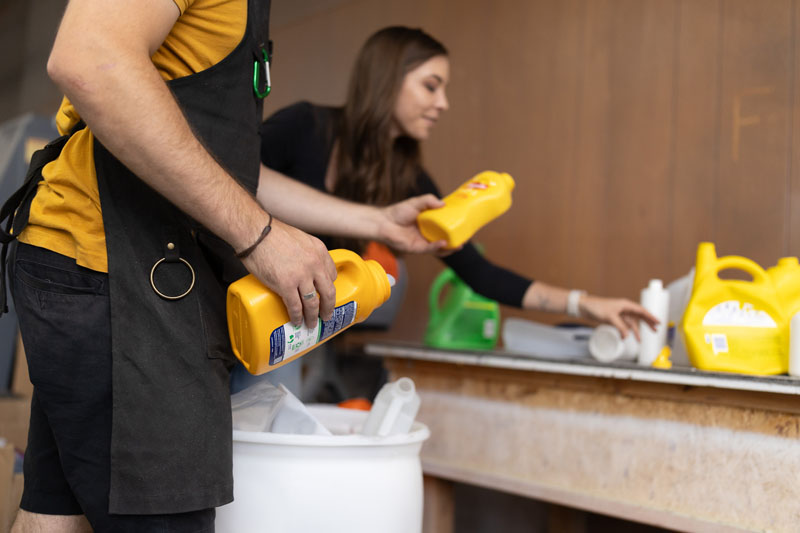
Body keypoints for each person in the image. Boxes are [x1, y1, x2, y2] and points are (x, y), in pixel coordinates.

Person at [2, 4, 442, 532]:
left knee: (54, 516)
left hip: (112, 272)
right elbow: (89, 58)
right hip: (119, 282)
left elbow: (218, 166)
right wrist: (259, 236)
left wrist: (376, 222)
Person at [257, 26, 658, 339]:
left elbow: (478, 273)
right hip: (235, 296)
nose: (443, 104)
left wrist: (585, 305)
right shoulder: (303, 125)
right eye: (431, 86)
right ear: (386, 80)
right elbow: (234, 179)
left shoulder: (410, 180)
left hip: (295, 327)